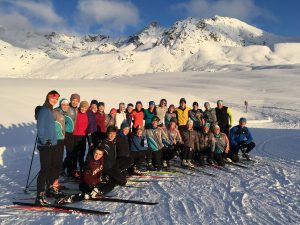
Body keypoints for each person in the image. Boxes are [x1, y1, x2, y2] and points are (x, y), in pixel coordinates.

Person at [35, 90, 60, 205]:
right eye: (53, 98)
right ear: (48, 97)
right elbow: (40, 129)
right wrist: (45, 141)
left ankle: (49, 188)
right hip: (46, 145)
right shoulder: (44, 110)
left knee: (50, 168)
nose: (55, 100)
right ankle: (39, 195)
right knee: (44, 169)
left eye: (56, 99)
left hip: (52, 144)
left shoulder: (50, 110)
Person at [101, 126, 129, 194]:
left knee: (129, 160)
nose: (112, 135)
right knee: (122, 182)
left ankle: (109, 177)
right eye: (110, 133)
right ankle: (102, 189)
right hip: (107, 167)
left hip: (113, 165)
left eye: (114, 134)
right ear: (107, 133)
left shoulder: (114, 142)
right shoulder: (104, 143)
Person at [63, 94, 80, 177]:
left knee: (73, 153)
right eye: (73, 100)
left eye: (77, 101)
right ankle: (70, 172)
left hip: (74, 134)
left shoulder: (77, 109)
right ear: (70, 100)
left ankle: (64, 168)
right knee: (70, 153)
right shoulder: (67, 108)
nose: (75, 102)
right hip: (67, 133)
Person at [52, 98, 67, 190]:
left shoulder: (62, 113)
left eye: (66, 105)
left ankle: (55, 182)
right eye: (63, 104)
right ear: (60, 104)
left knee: (58, 161)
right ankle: (52, 183)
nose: (65, 106)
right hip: (56, 140)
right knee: (55, 162)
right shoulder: (55, 112)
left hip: (61, 139)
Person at [72, 101, 89, 176]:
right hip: (75, 135)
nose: (83, 109)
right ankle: (74, 170)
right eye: (82, 107)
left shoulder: (87, 114)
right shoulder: (76, 113)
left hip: (83, 136)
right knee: (75, 153)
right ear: (80, 107)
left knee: (82, 153)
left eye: (85, 107)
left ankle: (81, 168)